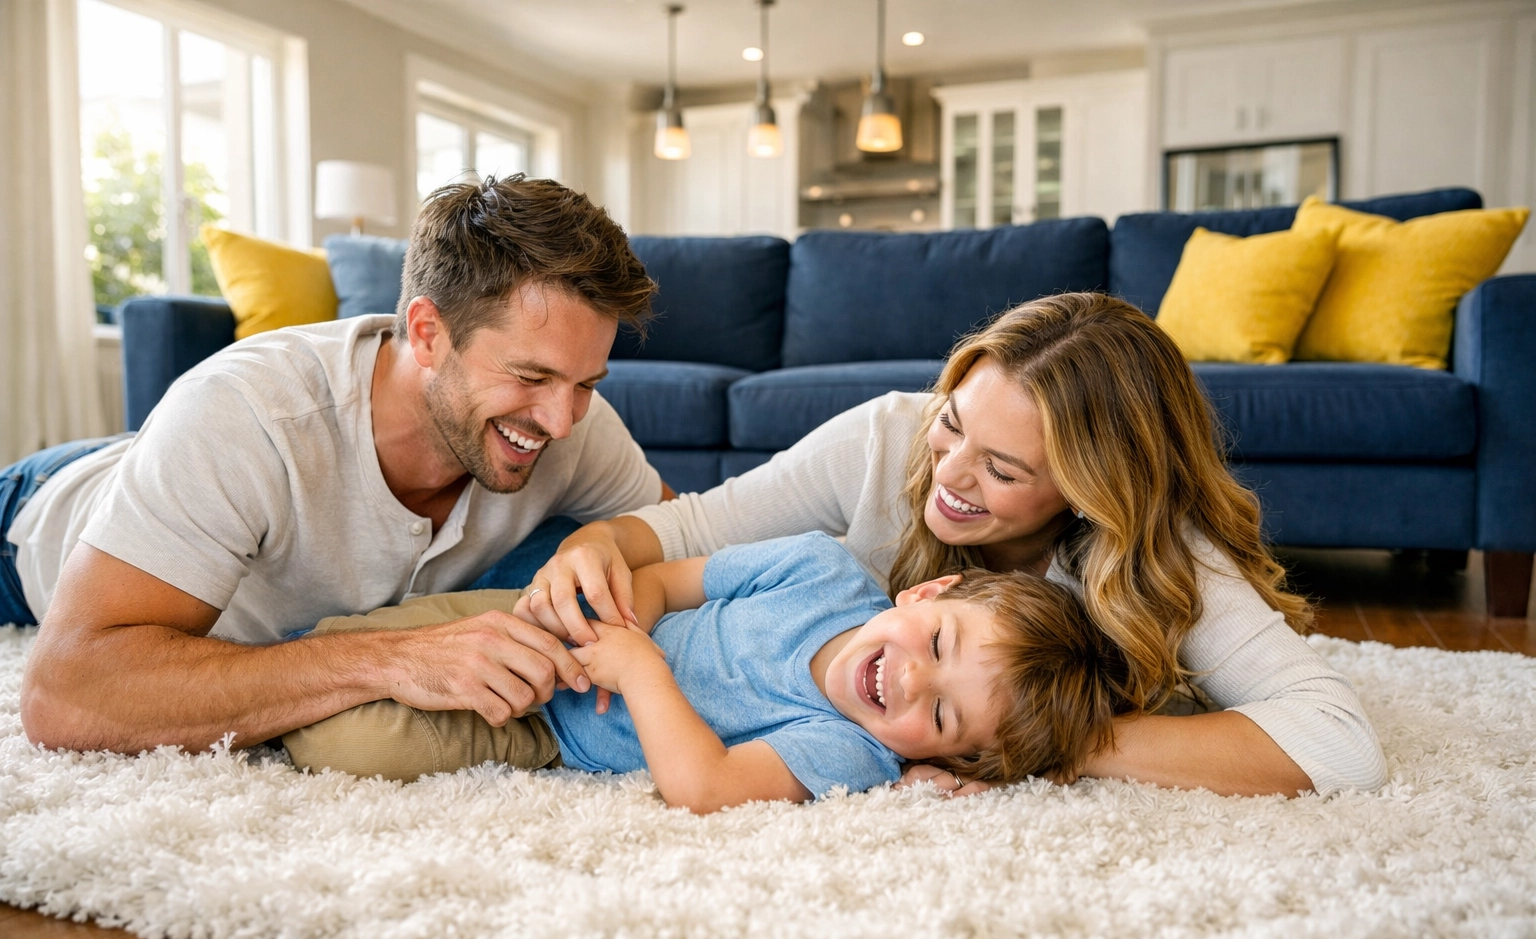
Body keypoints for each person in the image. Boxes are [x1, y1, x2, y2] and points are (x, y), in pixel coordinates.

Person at [519, 293, 1389, 799]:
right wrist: (596, 540)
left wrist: (1041, 745)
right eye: (954, 424)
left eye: (1003, 469)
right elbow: (695, 527)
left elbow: (1339, 743)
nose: (950, 476)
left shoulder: (1151, 550)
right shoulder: (889, 436)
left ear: (1089, 493)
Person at [11, 175, 674, 755]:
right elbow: (64, 695)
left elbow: (691, 536)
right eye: (531, 375)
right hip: (41, 512)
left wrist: (609, 535)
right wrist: (389, 659)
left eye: (586, 383)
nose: (561, 421)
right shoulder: (246, 413)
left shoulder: (571, 428)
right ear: (426, 333)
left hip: (173, 471)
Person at [280, 533, 1132, 814]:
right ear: (929, 589)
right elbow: (661, 579)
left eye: (942, 718)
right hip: (550, 625)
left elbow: (706, 786)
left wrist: (640, 672)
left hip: (545, 725)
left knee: (342, 738)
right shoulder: (821, 568)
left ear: (944, 758)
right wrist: (616, 629)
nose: (911, 683)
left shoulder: (848, 751)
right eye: (939, 645)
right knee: (342, 641)